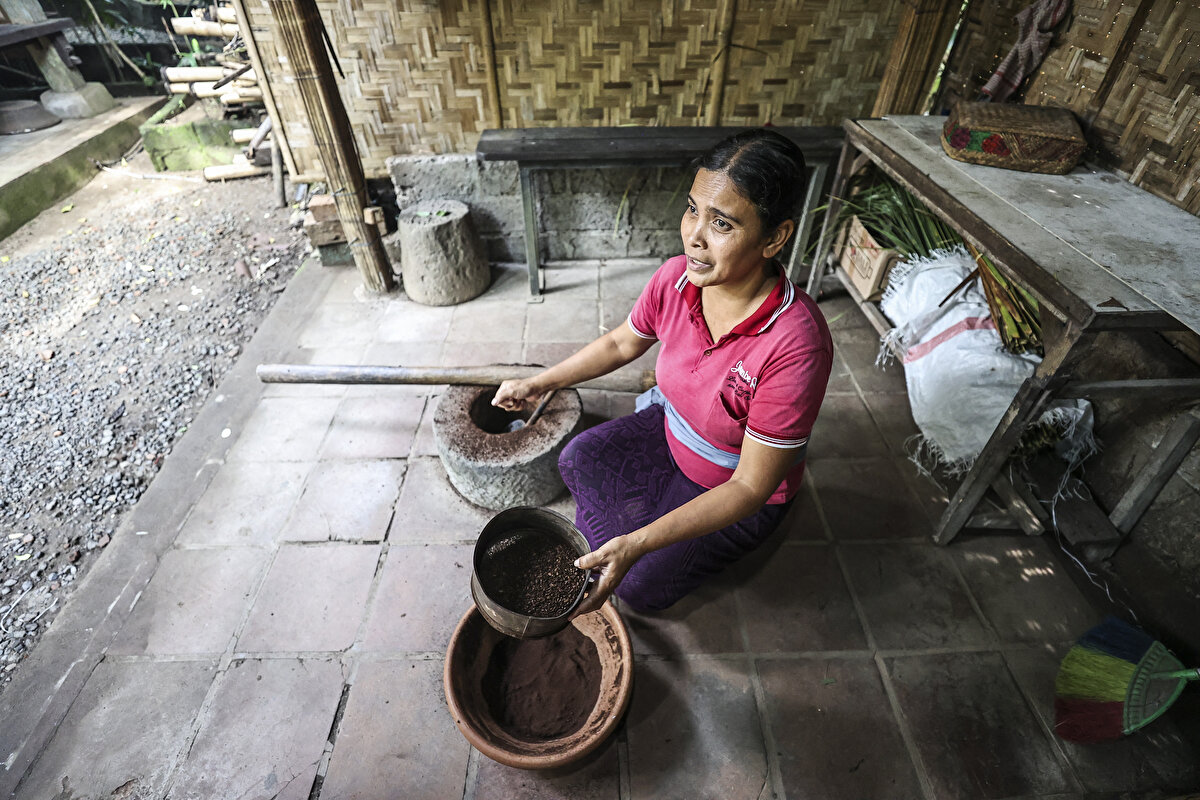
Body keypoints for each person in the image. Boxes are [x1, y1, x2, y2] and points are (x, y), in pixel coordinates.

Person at [492, 128, 833, 616]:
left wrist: (640, 542)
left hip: (731, 483)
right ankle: (642, 529)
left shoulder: (796, 344)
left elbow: (749, 486)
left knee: (640, 589)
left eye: (723, 224)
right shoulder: (676, 279)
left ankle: (643, 536)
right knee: (577, 459)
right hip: (672, 431)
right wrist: (538, 382)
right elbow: (621, 342)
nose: (694, 235)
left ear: (774, 237)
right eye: (693, 209)